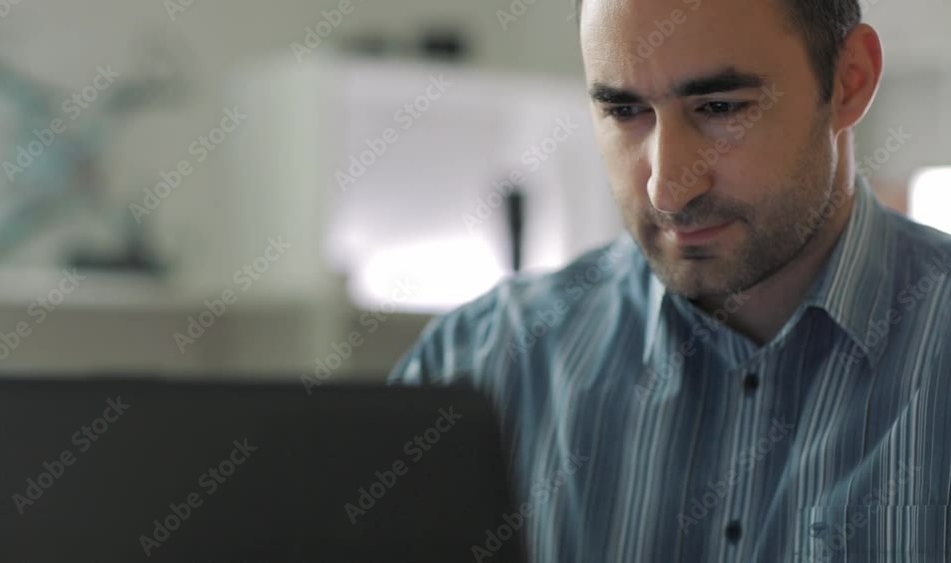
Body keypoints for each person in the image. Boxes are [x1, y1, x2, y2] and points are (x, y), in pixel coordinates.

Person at [388, 0, 951, 560]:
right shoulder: (477, 368)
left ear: (850, 82)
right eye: (625, 111)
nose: (667, 190)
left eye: (721, 107)